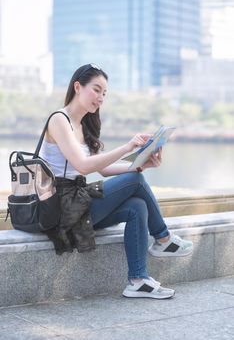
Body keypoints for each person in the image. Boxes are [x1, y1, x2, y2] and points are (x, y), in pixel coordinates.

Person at [40, 63, 193, 300]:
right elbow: (82, 165)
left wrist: (141, 164)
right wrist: (128, 147)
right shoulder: (59, 119)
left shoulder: (83, 125)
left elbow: (101, 169)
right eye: (96, 90)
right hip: (60, 207)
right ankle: (163, 238)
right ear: (77, 87)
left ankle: (138, 280)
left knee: (136, 206)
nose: (101, 97)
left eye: (104, 93)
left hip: (76, 202)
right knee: (134, 180)